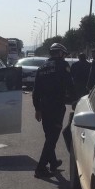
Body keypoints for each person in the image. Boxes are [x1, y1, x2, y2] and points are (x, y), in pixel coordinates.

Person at [32, 43, 75, 178]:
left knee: (49, 135)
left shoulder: (42, 67)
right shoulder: (63, 65)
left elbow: (36, 90)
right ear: (61, 53)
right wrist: (76, 100)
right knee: (53, 137)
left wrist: (37, 108)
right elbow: (70, 85)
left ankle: (53, 162)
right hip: (56, 106)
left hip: (44, 106)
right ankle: (40, 168)